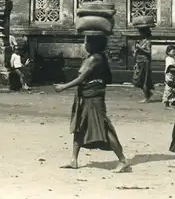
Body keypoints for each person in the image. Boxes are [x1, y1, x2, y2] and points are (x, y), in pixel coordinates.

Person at [53, 35, 131, 173]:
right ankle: (74, 160)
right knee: (79, 125)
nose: (85, 44)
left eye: (87, 41)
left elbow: (81, 78)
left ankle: (123, 160)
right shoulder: (94, 58)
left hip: (93, 98)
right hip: (86, 95)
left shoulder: (96, 58)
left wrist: (63, 87)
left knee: (103, 128)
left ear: (95, 44)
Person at [132, 19, 155, 103]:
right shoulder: (140, 41)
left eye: (140, 32)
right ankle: (148, 94)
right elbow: (136, 52)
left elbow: (149, 52)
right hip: (139, 61)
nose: (139, 33)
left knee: (144, 79)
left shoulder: (147, 42)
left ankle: (146, 97)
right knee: (137, 80)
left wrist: (140, 48)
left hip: (145, 62)